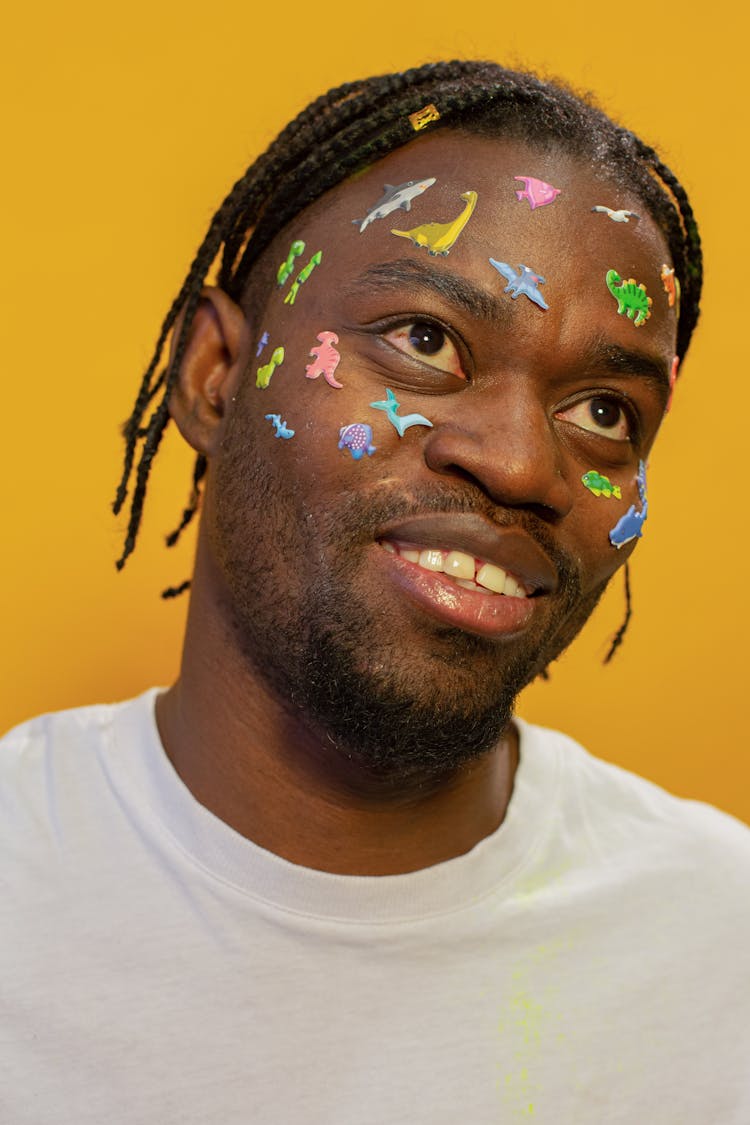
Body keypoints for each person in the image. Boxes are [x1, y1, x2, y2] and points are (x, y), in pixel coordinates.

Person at [2, 60, 748, 1123]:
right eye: (425, 341)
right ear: (215, 374)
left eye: (603, 412)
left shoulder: (725, 953)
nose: (523, 466)